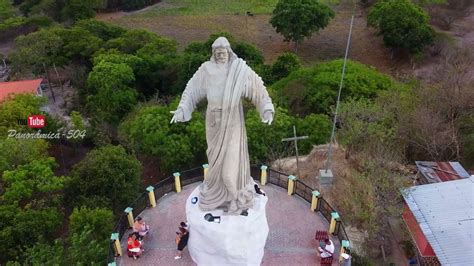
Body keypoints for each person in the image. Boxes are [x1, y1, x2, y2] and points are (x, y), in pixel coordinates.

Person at [170, 36, 274, 215]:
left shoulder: (239, 70)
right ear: (213, 54)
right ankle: (221, 194)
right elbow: (192, 89)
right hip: (213, 123)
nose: (220, 56)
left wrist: (266, 108)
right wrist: (182, 108)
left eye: (223, 52)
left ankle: (235, 197)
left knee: (228, 170)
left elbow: (257, 87)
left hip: (233, 123)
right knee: (215, 162)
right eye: (217, 53)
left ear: (229, 51)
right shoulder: (206, 70)